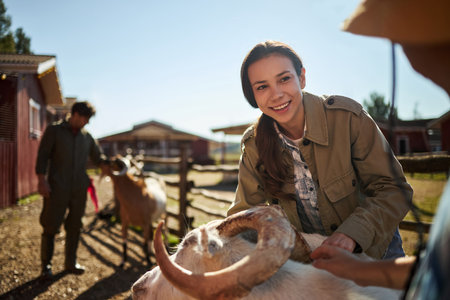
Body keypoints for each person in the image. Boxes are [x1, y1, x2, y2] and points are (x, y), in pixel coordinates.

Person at [227, 40, 412, 260]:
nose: (276, 94)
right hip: (310, 266)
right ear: (253, 95)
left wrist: (351, 235)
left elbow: (393, 189)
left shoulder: (348, 119)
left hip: (375, 253)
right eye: (262, 86)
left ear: (302, 78)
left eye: (284, 79)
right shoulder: (253, 145)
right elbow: (243, 216)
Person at [36, 101, 106, 278]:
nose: (87, 122)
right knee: (51, 225)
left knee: (75, 226)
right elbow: (42, 155)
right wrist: (41, 180)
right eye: (85, 118)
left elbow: (98, 158)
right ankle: (46, 266)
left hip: (79, 190)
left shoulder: (87, 137)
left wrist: (110, 163)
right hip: (57, 188)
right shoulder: (55, 131)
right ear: (75, 114)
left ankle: (70, 263)